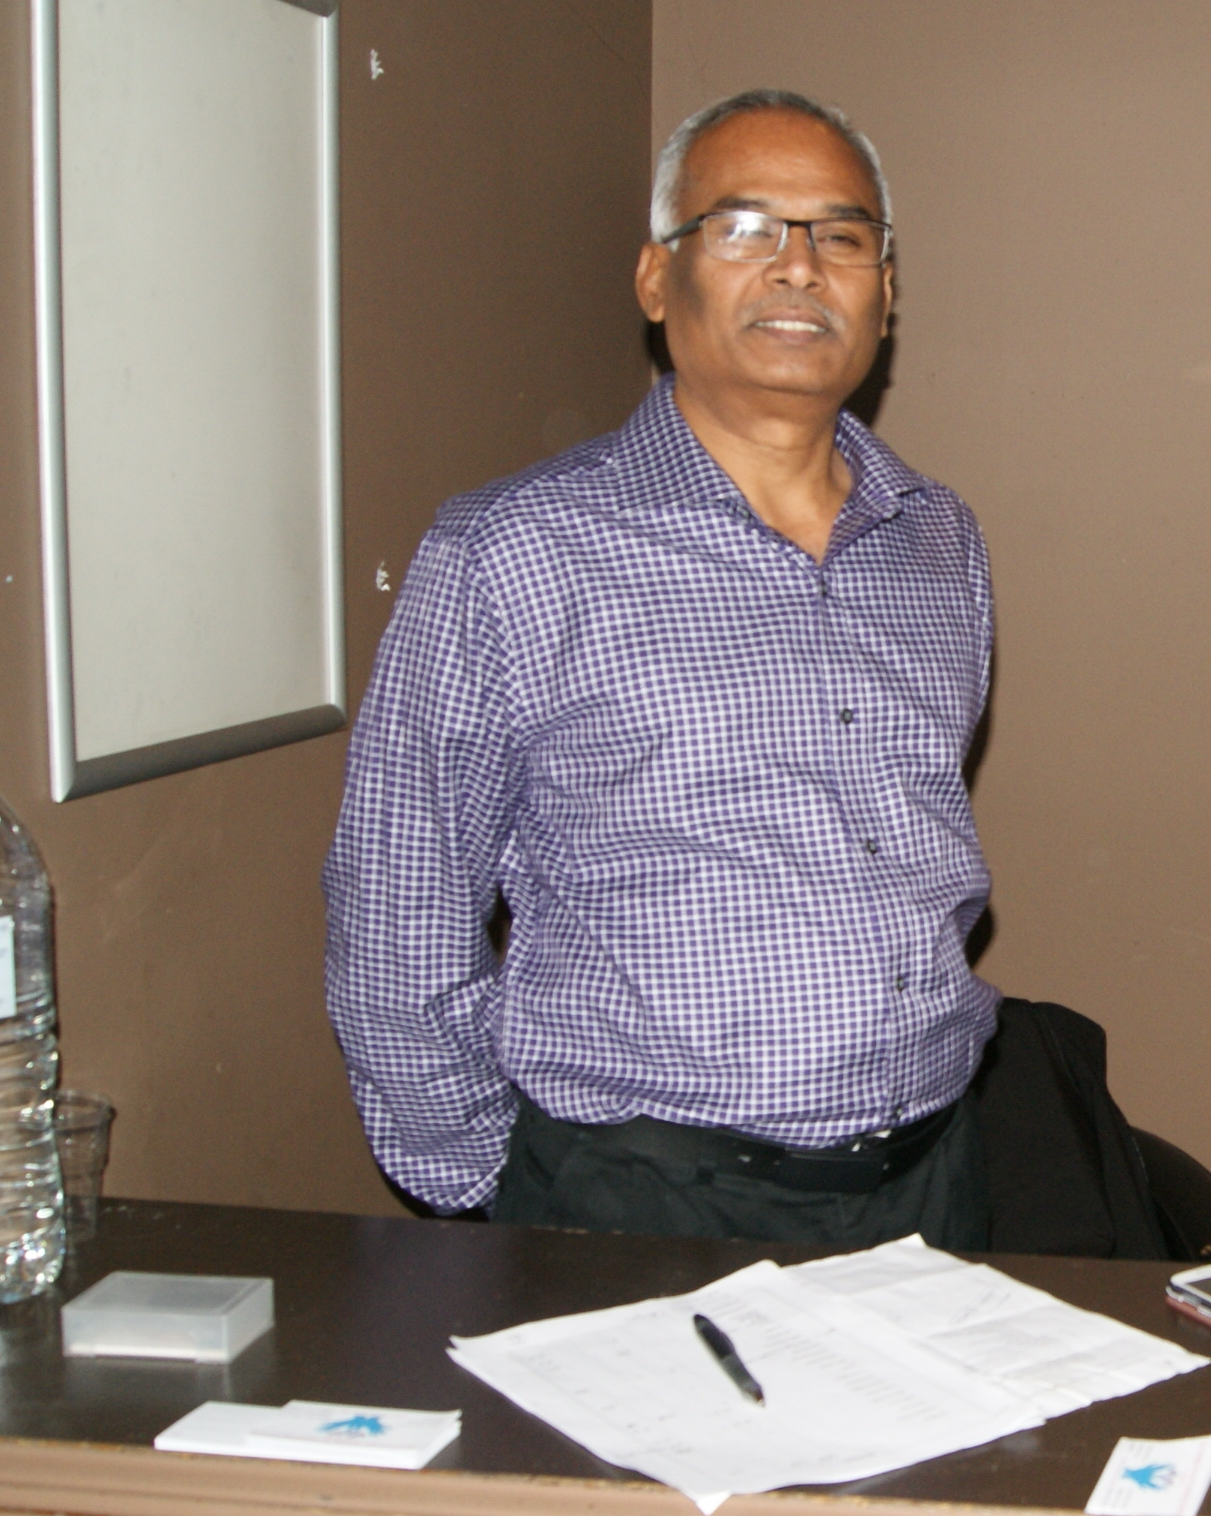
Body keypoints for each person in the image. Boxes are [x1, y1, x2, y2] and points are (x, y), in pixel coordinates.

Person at [324, 89, 997, 1249]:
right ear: (655, 278)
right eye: (744, 226)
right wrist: (498, 1191)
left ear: (884, 290)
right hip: (644, 1204)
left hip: (934, 1185)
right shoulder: (513, 551)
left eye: (841, 236)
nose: (799, 266)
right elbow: (399, 911)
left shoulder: (939, 541)